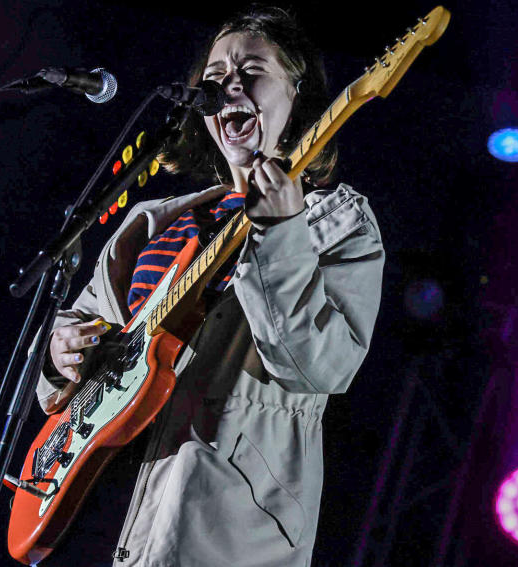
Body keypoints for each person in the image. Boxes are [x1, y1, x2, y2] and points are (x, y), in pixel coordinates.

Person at [36, 6, 384, 566]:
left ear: (296, 97)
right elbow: (71, 351)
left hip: (215, 530)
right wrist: (61, 353)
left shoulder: (336, 224)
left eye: (252, 70)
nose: (229, 85)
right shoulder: (154, 222)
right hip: (97, 505)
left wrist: (281, 234)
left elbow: (318, 365)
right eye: (216, 76)